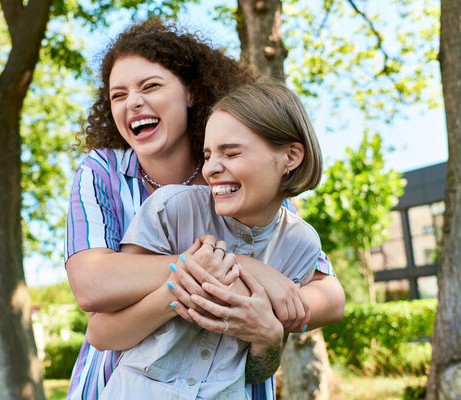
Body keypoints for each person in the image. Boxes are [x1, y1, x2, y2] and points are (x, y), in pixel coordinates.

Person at [65, 19, 345, 400]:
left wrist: (266, 322)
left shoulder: (245, 176)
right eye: (118, 95)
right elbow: (92, 284)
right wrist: (241, 266)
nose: (132, 102)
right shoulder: (103, 171)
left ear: (192, 94)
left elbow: (327, 293)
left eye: (150, 86)